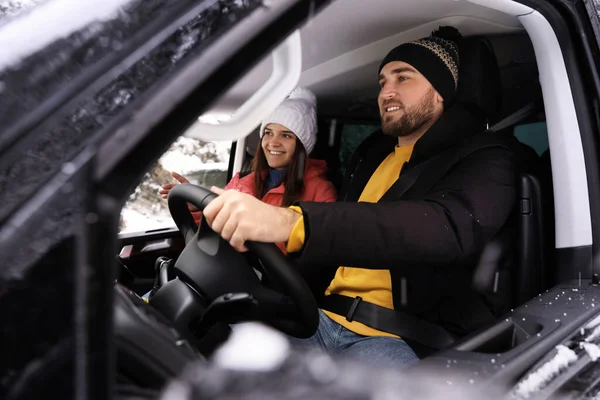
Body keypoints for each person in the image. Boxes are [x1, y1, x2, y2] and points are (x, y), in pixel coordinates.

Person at [201, 27, 517, 369]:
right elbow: (340, 239)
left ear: (441, 91)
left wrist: (289, 222)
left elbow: (444, 227)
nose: (386, 91)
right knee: (206, 341)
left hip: (398, 337)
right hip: (319, 319)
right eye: (383, 81)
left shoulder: (488, 159)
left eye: (403, 77)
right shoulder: (371, 157)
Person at [159, 87, 337, 252]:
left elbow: (325, 247)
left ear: (301, 146)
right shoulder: (242, 181)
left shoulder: (320, 190)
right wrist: (196, 208)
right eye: (268, 133)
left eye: (286, 135)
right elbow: (214, 231)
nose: (273, 142)